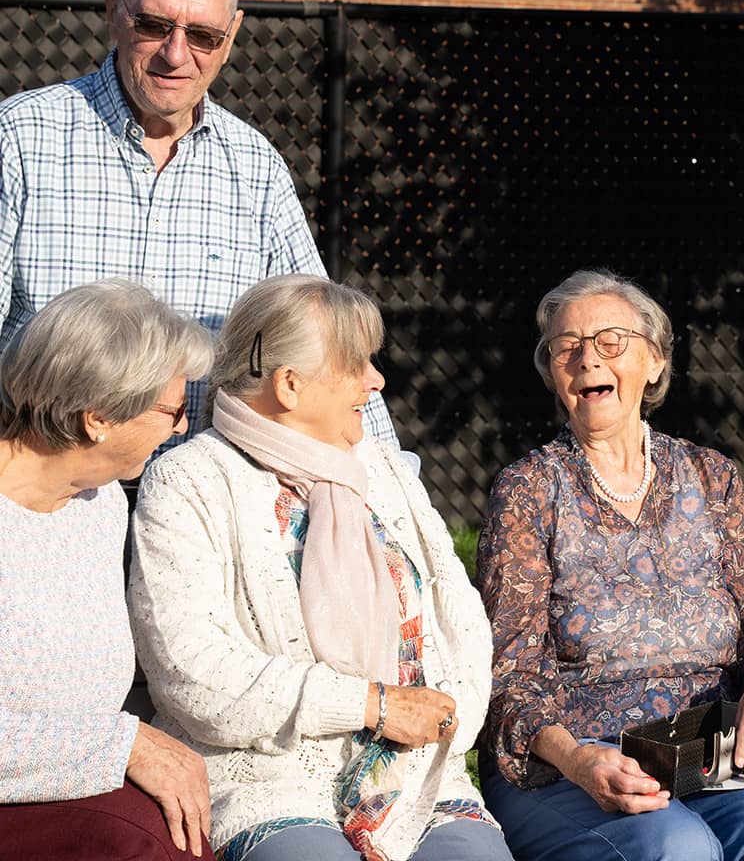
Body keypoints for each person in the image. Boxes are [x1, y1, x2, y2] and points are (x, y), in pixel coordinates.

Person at [128, 274, 512, 861]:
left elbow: (461, 620)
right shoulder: (189, 481)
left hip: (416, 780)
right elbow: (190, 671)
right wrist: (373, 707)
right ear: (289, 384)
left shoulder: (379, 468)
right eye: (357, 364)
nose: (376, 380)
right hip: (267, 780)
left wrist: (443, 724)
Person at [0, 0, 396, 450]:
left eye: (203, 35)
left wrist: (391, 495)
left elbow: (322, 341)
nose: (175, 53)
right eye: (154, 24)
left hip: (195, 501)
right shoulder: (22, 140)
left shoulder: (256, 170)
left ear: (230, 37)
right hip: (47, 493)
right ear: (114, 11)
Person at [477, 268, 744, 861]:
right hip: (569, 757)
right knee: (677, 848)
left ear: (656, 362)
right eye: (568, 347)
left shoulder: (711, 477)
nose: (589, 360)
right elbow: (506, 678)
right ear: (553, 374)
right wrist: (578, 758)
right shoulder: (529, 490)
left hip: (703, 750)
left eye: (612, 341)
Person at [0, 279, 214, 859]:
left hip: (74, 786)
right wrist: (123, 746)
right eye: (172, 410)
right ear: (97, 417)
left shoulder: (97, 503)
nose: (181, 429)